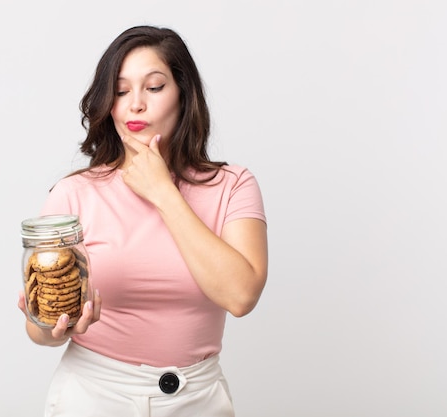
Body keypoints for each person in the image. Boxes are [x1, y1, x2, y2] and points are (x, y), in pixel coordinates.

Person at [18, 25, 268, 417]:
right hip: (93, 397)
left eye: (154, 87)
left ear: (183, 96)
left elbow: (240, 296)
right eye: (120, 91)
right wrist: (53, 327)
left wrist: (163, 193)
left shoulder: (233, 186)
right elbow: (39, 328)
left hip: (198, 401)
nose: (136, 104)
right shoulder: (74, 194)